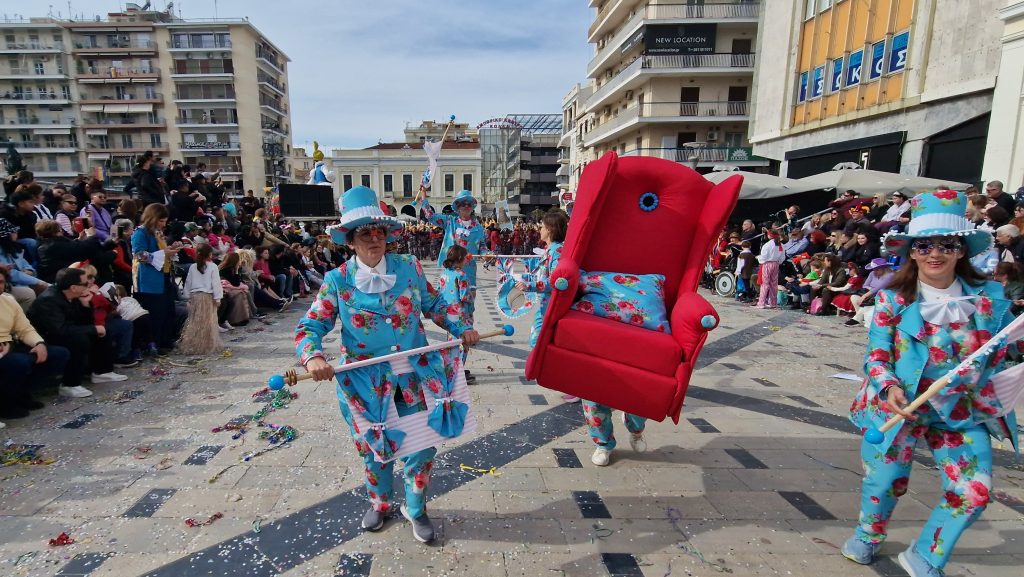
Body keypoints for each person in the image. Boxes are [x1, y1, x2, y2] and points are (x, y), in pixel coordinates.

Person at [842, 190, 1020, 577]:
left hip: (962, 410)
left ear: (961, 250)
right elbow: (877, 355)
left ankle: (926, 554)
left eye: (947, 244)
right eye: (924, 245)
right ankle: (869, 534)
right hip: (899, 408)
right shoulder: (892, 299)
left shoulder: (990, 297)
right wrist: (889, 387)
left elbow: (1009, 344)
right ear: (912, 251)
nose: (934, 253)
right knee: (886, 481)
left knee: (973, 493)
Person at [295, 185, 480, 544]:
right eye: (365, 233)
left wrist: (463, 326)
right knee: (375, 450)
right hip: (365, 384)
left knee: (422, 446)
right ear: (350, 240)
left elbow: (435, 304)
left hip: (415, 377)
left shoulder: (408, 267)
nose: (374, 238)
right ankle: (380, 502)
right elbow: (311, 325)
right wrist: (313, 355)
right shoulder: (337, 280)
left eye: (379, 231)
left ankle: (416, 506)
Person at [28, 267, 127, 398]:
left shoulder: (73, 296)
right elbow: (59, 330)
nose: (89, 285)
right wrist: (92, 329)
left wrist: (86, 306)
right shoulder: (49, 300)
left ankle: (102, 372)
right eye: (85, 284)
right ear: (73, 287)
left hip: (64, 331)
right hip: (45, 337)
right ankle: (70, 384)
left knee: (102, 331)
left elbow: (84, 322)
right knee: (79, 339)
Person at [518, 211, 579, 403]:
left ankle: (573, 385)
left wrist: (530, 285)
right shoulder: (552, 250)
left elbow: (557, 282)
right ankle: (565, 382)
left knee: (545, 344)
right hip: (545, 307)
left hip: (551, 308)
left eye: (543, 226)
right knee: (541, 343)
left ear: (551, 229)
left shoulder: (557, 252)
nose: (540, 230)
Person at [0, 267, 70, 418]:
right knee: (19, 362)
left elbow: (25, 329)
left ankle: (21, 393)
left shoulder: (8, 301)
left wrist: (39, 344)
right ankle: (6, 404)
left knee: (58, 354)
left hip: (10, 345)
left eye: (0, 282)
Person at [131, 204, 180, 353]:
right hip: (149, 279)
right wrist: (163, 253)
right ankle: (155, 342)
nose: (163, 224)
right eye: (160, 221)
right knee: (156, 312)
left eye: (165, 221)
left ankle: (166, 340)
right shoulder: (140, 233)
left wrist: (171, 249)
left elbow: (162, 251)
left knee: (168, 309)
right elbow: (139, 254)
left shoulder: (157, 233)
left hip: (163, 275)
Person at [178, 244, 223, 354]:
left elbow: (188, 282)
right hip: (207, 297)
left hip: (195, 297)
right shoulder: (213, 267)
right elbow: (216, 283)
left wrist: (187, 296)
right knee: (208, 322)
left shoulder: (193, 267)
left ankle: (193, 344)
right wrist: (218, 298)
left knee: (195, 321)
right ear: (209, 254)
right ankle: (207, 345)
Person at [0, 218, 48, 309]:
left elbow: (26, 264)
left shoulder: (14, 247)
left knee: (44, 289)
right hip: (8, 285)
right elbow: (11, 273)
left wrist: (30, 271)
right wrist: (37, 282)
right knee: (29, 293)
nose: (16, 233)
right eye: (13, 231)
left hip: (25, 279)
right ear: (6, 235)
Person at [845, 258, 895, 327]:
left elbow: (879, 288)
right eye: (874, 269)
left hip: (884, 296)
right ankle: (860, 318)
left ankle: (857, 319)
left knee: (866, 301)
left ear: (884, 268)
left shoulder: (890, 275)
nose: (875, 271)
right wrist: (870, 291)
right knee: (854, 297)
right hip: (870, 294)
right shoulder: (872, 273)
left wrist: (865, 295)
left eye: (877, 269)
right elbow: (865, 285)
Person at [754, 227, 784, 309]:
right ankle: (773, 303)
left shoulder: (767, 245)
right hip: (776, 264)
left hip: (767, 264)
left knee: (765, 284)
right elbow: (782, 257)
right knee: (773, 284)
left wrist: (758, 258)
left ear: (769, 236)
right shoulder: (781, 245)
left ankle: (761, 303)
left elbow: (764, 256)